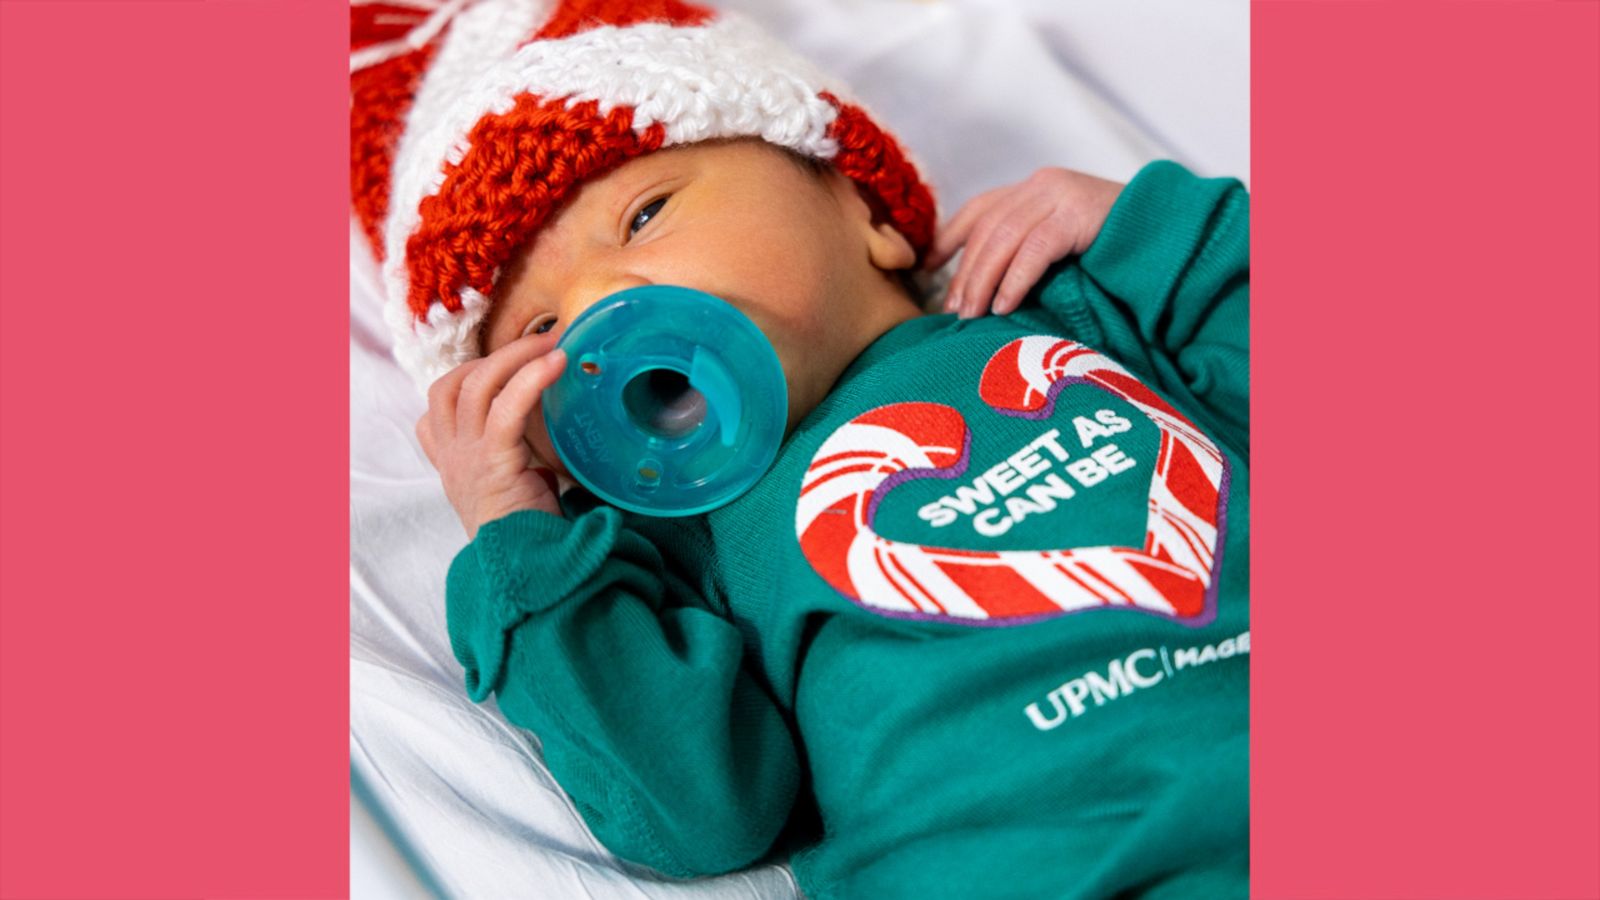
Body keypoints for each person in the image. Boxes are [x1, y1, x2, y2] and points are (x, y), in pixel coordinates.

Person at [353, 1, 1249, 896]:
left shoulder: (1070, 307)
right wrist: (521, 542)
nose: (595, 316)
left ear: (866, 208)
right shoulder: (670, 544)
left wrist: (1155, 229)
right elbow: (696, 812)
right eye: (542, 329)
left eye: (643, 216)